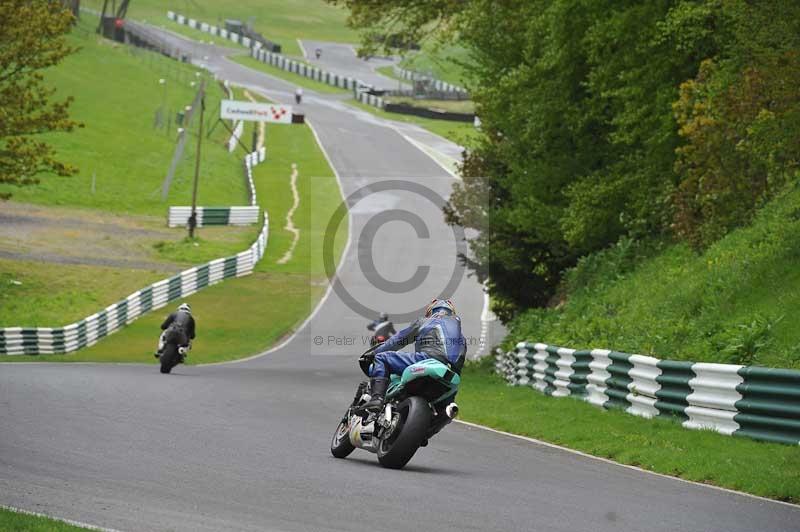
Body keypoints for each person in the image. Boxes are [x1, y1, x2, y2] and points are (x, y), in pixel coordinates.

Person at [360, 299, 466, 411]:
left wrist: (373, 353)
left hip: (427, 359)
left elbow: (399, 339)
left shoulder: (427, 321)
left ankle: (377, 399)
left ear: (431, 311)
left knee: (382, 358)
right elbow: (460, 362)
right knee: (446, 408)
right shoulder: (461, 337)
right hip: (449, 375)